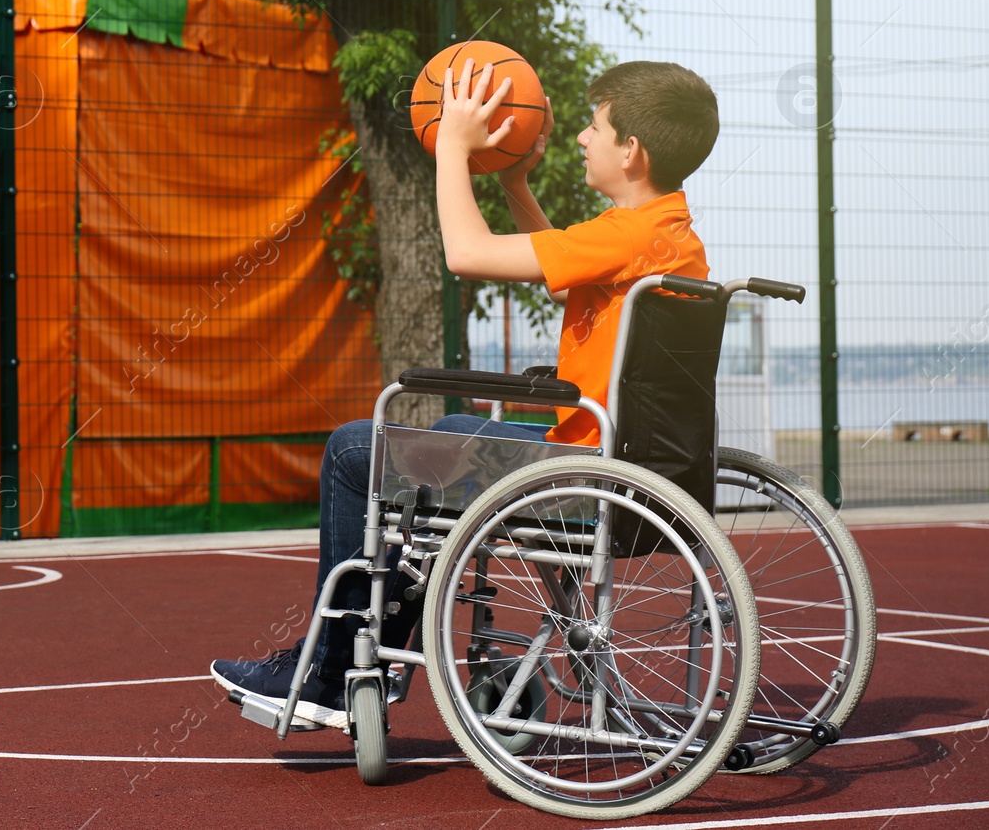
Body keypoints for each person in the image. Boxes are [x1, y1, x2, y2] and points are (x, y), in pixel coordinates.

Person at [209, 58, 720, 729]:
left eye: (595, 126)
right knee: (449, 424)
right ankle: (391, 621)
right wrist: (513, 181)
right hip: (623, 468)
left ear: (632, 151)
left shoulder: (625, 234)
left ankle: (331, 671)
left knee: (352, 449)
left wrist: (452, 145)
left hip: (580, 475)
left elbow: (466, 253)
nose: (581, 138)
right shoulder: (668, 238)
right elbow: (563, 280)